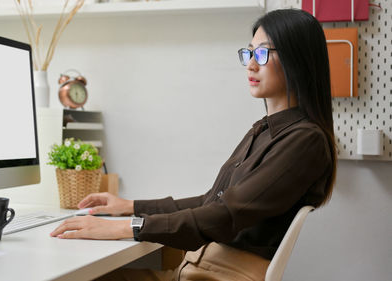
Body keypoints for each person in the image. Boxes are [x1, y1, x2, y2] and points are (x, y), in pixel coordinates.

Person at [50, 8, 337, 281]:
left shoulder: (305, 141)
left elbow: (225, 215)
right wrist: (130, 206)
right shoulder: (263, 131)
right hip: (200, 268)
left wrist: (127, 228)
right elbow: (212, 201)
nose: (250, 63)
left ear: (297, 59)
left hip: (220, 274)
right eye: (249, 52)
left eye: (262, 53)